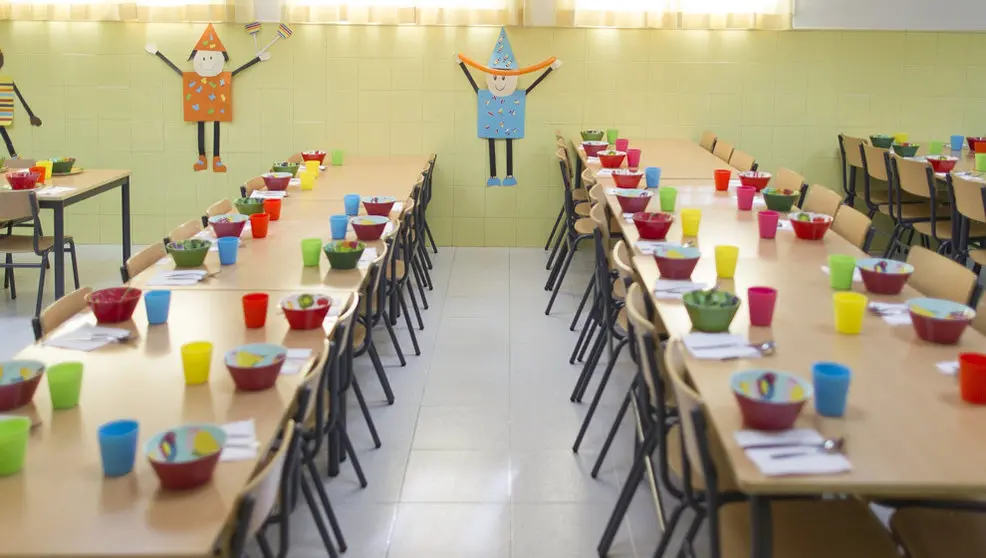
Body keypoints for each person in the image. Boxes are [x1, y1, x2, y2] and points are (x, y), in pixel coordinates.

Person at [145, 24, 270, 172]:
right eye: (204, 58)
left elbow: (238, 70)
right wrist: (157, 53)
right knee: (201, 124)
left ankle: (216, 158)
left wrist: (258, 59)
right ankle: (202, 157)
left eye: (211, 58)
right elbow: (177, 70)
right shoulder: (192, 78)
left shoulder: (222, 77)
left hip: (216, 103)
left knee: (216, 124)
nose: (208, 62)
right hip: (200, 103)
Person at [457, 28, 561, 186]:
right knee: (492, 141)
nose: (499, 83)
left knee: (508, 143)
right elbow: (473, 83)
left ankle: (509, 175)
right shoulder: (486, 96)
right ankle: (493, 177)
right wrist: (462, 65)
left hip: (508, 123)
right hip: (491, 123)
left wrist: (550, 68)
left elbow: (534, 84)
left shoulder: (515, 96)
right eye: (496, 77)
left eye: (504, 78)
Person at [0, 49, 42, 158]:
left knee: (2, 129)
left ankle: (14, 156)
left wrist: (31, 115)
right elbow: (19, 96)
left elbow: (19, 96)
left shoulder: (6, 81)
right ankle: (14, 156)